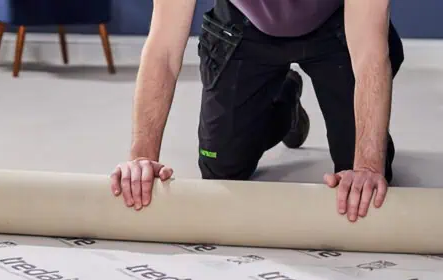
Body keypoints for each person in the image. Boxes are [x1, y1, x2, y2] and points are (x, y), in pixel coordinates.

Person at [110, 0, 403, 223]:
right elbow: (163, 47)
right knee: (222, 169)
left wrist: (367, 165)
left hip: (338, 26)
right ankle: (285, 105)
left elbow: (370, 55)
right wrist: (142, 157)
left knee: (361, 181)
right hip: (244, 27)